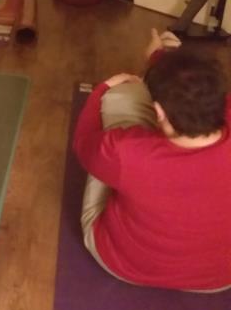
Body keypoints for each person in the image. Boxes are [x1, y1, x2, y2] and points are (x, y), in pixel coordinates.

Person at [74, 35, 231, 292]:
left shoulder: (126, 150)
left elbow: (82, 144)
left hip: (125, 264)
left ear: (158, 111)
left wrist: (100, 90)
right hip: (218, 279)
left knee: (119, 103)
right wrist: (162, 58)